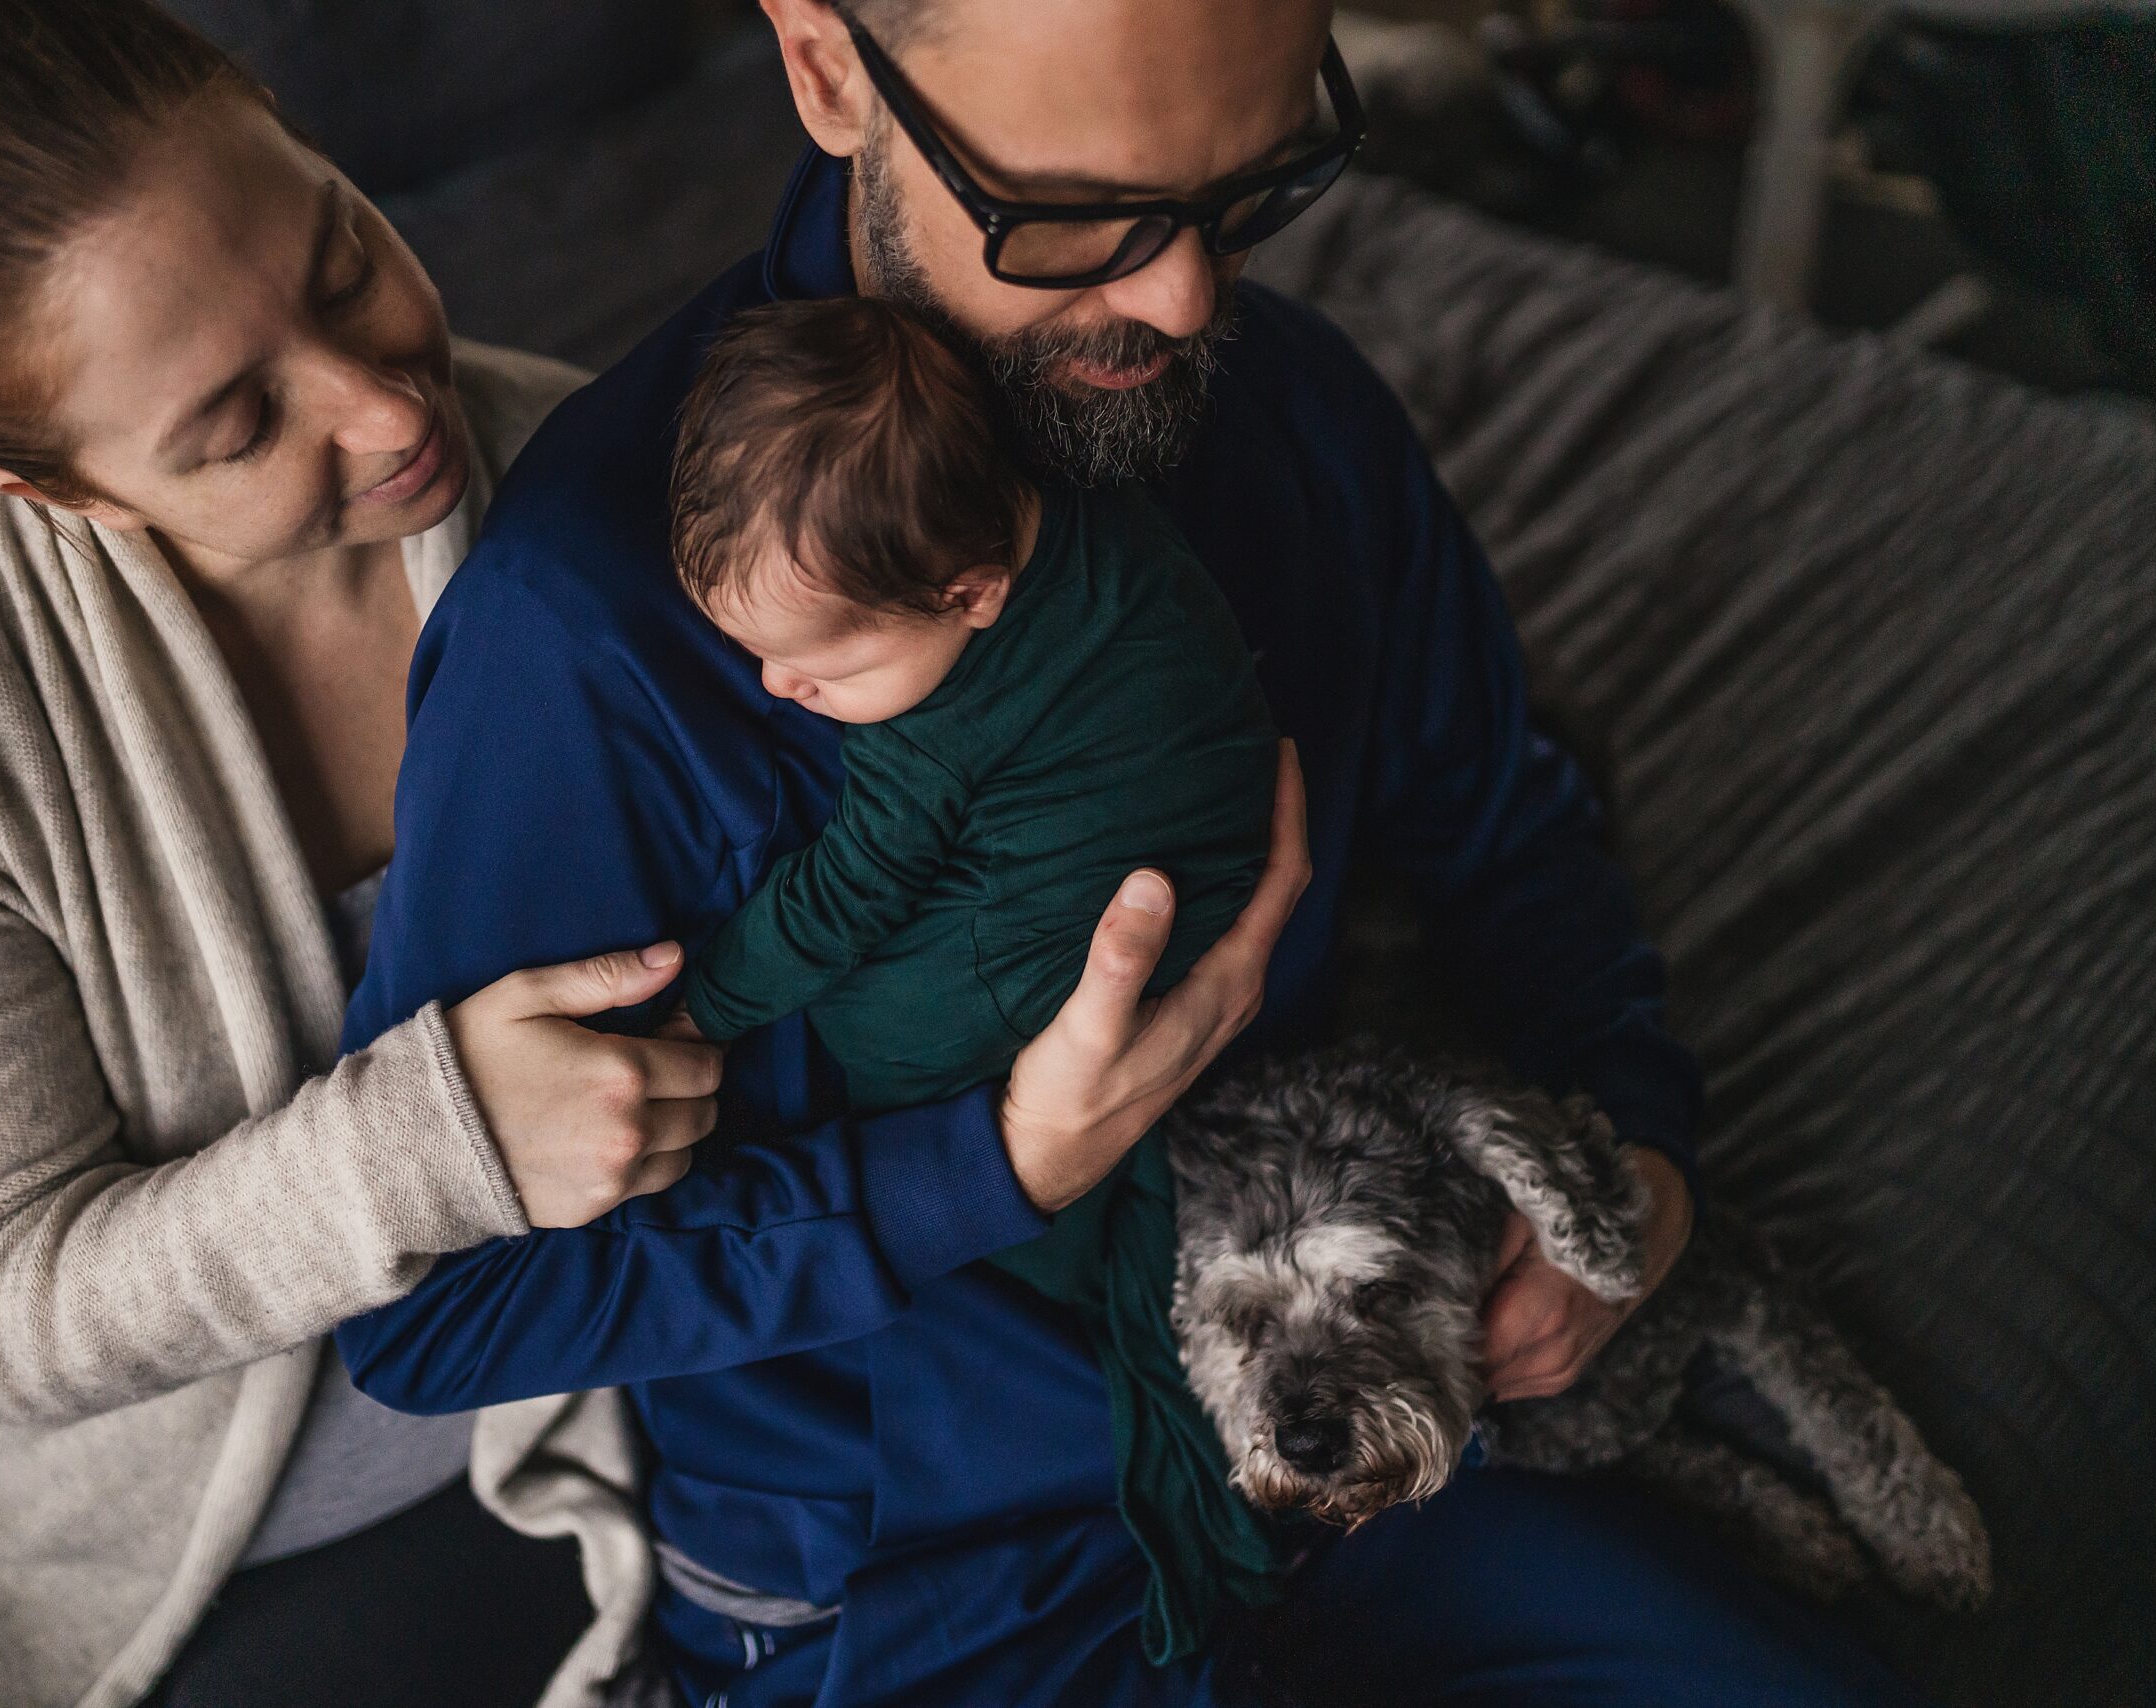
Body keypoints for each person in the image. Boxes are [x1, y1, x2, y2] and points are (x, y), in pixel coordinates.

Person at [335, 0, 1925, 1703]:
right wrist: (993, 1169)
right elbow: (436, 1316)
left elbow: (1511, 830)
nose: (1183, 297)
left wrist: (1639, 1157)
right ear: (824, 69)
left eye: (1246, 188)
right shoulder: (597, 638)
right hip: (932, 1592)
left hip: (1370, 1457)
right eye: (1076, 213)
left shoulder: (1288, 409)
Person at [0, 3, 1237, 1704]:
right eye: (237, 422)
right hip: (92, 1536)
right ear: (56, 491)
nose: (386, 409)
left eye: (341, 260)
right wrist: (434, 1136)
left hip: (568, 1441)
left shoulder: (594, 508)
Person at [670, 295, 1279, 1109]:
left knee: (869, 1020)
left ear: (972, 596)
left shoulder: (933, 733)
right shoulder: (1092, 497)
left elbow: (843, 896)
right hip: (1220, 855)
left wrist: (705, 1006)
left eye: (828, 669)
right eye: (756, 652)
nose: (779, 685)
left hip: (1052, 967)